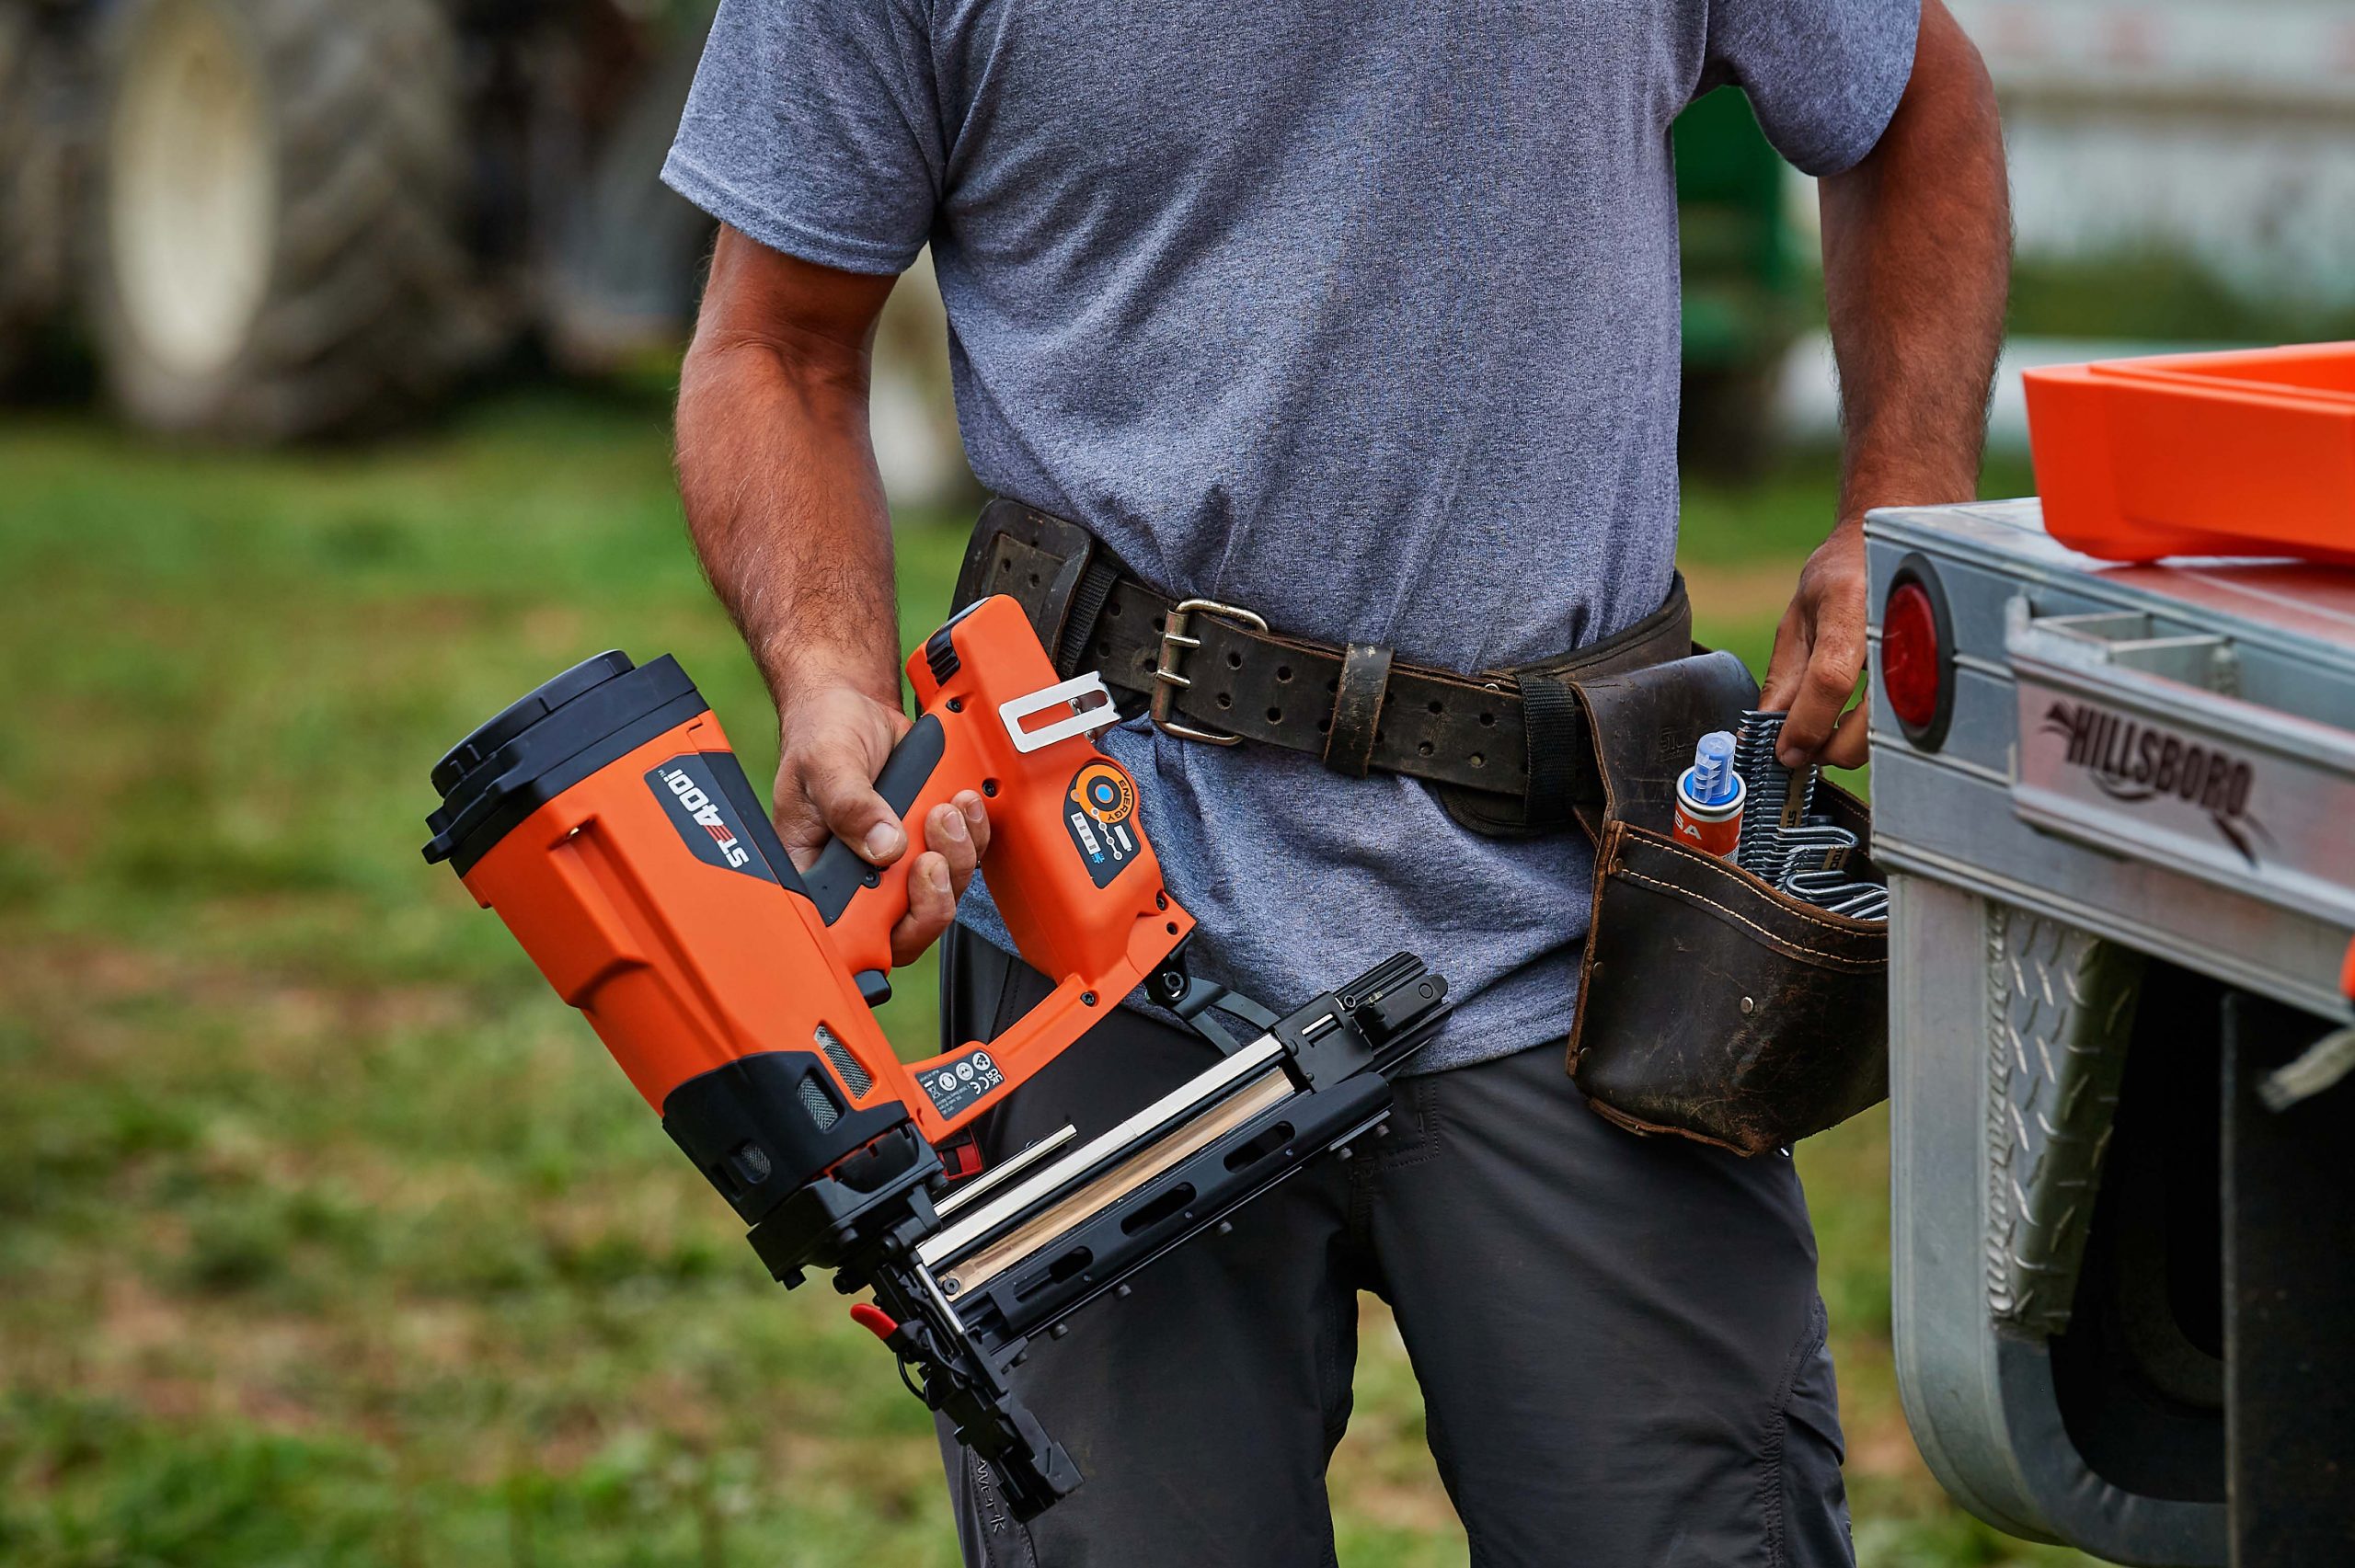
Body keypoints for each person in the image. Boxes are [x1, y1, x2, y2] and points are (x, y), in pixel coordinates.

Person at [664, 0, 2007, 1560]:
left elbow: (1914, 103)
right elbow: (774, 344)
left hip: (1581, 927)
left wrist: (1905, 498)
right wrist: (830, 672)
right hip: (1103, 927)